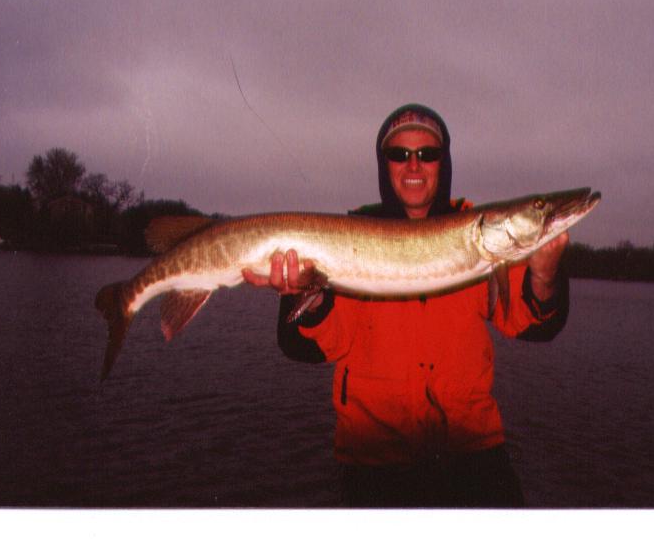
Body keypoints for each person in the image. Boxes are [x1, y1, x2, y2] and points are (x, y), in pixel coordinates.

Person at [242, 104, 569, 507]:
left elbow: (533, 323)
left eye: (427, 154)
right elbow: (307, 347)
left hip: (472, 452)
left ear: (443, 163)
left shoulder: (482, 236)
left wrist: (545, 276)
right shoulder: (353, 233)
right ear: (385, 165)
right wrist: (303, 296)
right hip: (374, 459)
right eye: (400, 154)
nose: (414, 164)